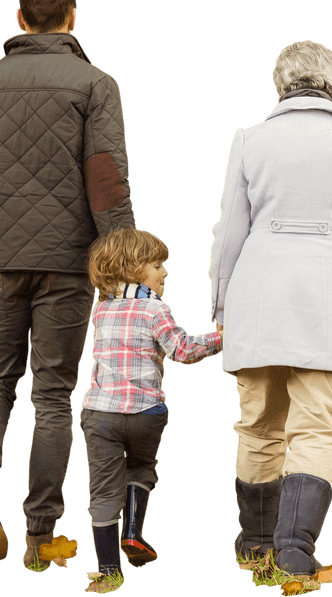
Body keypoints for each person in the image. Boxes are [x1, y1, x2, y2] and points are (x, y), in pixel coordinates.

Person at [0, 0, 135, 565]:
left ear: (19, 18)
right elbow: (104, 179)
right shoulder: (95, 83)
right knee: (53, 395)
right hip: (68, 265)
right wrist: (121, 263)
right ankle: (40, 535)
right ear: (73, 16)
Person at [208, 40, 332, 575]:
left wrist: (222, 306)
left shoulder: (248, 140)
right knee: (315, 427)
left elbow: (229, 236)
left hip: (258, 295)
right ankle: (295, 550)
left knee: (258, 426)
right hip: (330, 297)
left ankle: (255, 544)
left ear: (280, 85)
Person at [80, 227, 223, 579]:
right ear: (133, 268)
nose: (165, 272)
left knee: (102, 488)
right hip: (146, 413)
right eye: (157, 265)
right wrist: (224, 337)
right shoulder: (154, 308)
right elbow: (182, 350)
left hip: (99, 413)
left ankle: (108, 570)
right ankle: (132, 532)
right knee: (141, 467)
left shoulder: (100, 310)